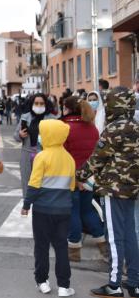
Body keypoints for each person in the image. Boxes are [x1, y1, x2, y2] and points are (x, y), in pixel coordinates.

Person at [77, 87, 139, 298]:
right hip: (132, 190)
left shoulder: (113, 129)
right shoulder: (137, 127)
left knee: (114, 236)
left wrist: (79, 175)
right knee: (130, 234)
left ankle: (114, 284)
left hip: (113, 190)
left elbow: (97, 159)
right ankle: (134, 281)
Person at [21, 119, 76, 297]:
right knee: (61, 247)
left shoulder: (41, 157)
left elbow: (34, 184)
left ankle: (42, 282)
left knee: (42, 247)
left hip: (43, 211)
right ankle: (63, 286)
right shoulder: (69, 158)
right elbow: (72, 186)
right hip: (63, 211)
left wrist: (27, 204)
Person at [60, 96, 107, 262]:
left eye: (64, 108)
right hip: (88, 178)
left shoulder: (65, 128)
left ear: (68, 109)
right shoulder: (92, 128)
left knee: (72, 212)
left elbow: (63, 156)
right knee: (87, 211)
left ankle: (74, 251)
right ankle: (104, 246)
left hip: (71, 177)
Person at [14, 93, 56, 198]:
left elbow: (58, 138)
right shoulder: (25, 117)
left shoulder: (52, 118)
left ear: (46, 104)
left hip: (45, 156)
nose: (39, 106)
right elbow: (15, 136)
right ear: (32, 104)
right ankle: (28, 206)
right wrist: (20, 135)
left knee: (44, 186)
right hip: (27, 156)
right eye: (36, 103)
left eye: (41, 103)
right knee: (27, 185)